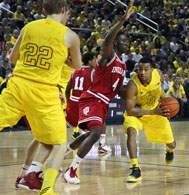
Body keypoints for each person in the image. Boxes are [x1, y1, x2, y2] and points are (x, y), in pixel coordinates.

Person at [0, 1, 82, 195]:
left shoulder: (29, 27)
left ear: (44, 11)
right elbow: (77, 66)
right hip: (44, 93)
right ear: (64, 10)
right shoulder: (70, 36)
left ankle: (27, 175)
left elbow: (12, 59)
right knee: (59, 144)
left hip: (18, 85)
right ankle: (46, 189)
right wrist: (63, 56)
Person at [63, 0, 134, 184]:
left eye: (128, 41)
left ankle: (67, 149)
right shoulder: (108, 57)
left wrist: (133, 99)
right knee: (95, 134)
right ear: (116, 42)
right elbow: (107, 40)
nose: (127, 43)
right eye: (123, 41)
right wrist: (122, 21)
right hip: (92, 98)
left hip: (103, 102)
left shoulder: (122, 64)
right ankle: (72, 169)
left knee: (89, 134)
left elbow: (117, 90)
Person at [124, 56, 176, 183]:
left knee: (172, 144)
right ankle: (135, 169)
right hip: (138, 114)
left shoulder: (158, 74)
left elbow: (160, 89)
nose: (142, 73)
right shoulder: (133, 84)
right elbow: (131, 110)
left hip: (156, 113)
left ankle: (169, 150)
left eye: (146, 69)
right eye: (140, 69)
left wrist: (166, 102)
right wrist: (153, 111)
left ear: (152, 69)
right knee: (131, 131)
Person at [65, 52, 111, 153]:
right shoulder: (93, 72)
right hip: (84, 104)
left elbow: (67, 90)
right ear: (90, 61)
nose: (96, 62)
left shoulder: (75, 72)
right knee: (101, 118)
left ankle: (63, 147)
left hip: (73, 103)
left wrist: (69, 102)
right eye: (95, 60)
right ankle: (102, 145)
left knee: (88, 132)